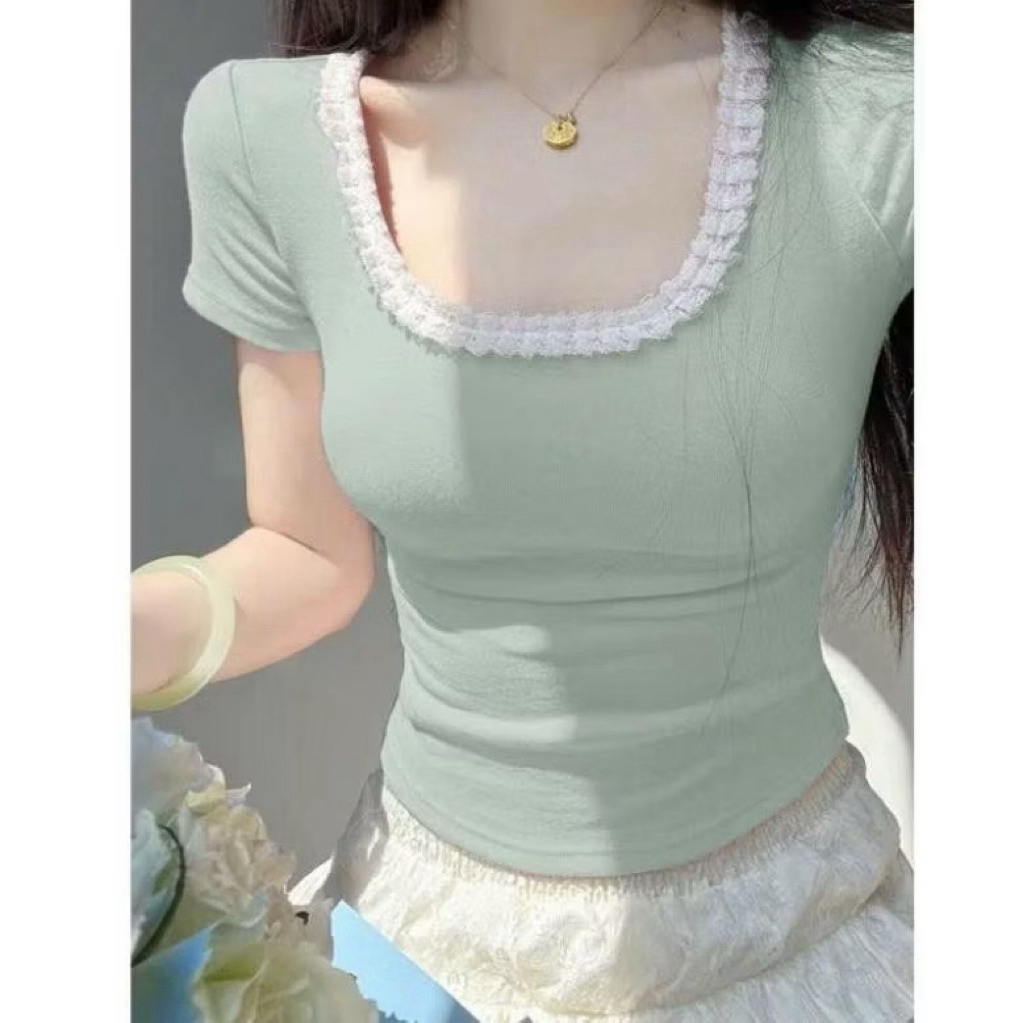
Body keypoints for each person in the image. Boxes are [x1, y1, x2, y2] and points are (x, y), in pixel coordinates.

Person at [132, 0, 914, 1018]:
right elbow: (303, 548)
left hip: (793, 939)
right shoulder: (263, 134)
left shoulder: (883, 112)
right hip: (420, 949)